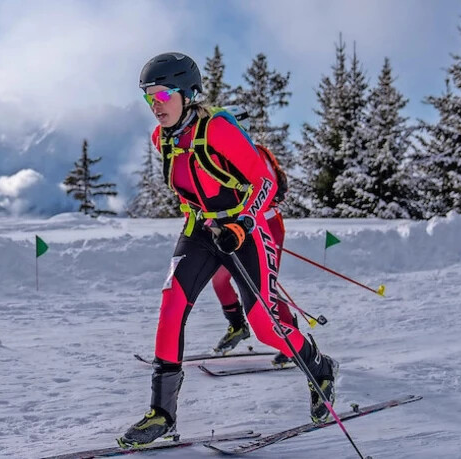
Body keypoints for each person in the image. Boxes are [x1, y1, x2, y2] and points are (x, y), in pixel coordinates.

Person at [118, 52, 338, 448]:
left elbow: (265, 184)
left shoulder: (217, 129)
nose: (155, 105)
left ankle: (319, 367)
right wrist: (200, 219)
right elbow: (191, 189)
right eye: (148, 96)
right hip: (201, 231)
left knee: (265, 327)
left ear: (187, 93)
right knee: (171, 306)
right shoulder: (162, 139)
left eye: (163, 94)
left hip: (243, 231)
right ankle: (162, 413)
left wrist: (241, 223)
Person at [208, 111, 297, 368]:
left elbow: (268, 190)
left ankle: (292, 339)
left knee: (263, 288)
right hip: (239, 230)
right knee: (220, 279)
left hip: (267, 225)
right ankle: (238, 326)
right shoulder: (221, 157)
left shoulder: (255, 153)